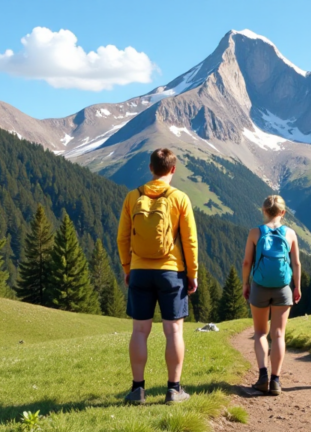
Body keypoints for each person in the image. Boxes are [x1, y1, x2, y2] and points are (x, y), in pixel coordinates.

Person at [117, 148, 198, 404]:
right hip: (171, 272)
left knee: (140, 331)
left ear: (150, 168)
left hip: (140, 271)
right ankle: (174, 390)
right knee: (173, 331)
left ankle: (137, 390)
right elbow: (190, 241)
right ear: (173, 169)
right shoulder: (179, 198)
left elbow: (122, 238)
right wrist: (192, 274)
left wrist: (128, 268)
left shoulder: (133, 197)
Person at [241, 195, 301, 396]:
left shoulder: (254, 233)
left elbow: (246, 263)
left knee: (260, 333)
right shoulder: (291, 233)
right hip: (283, 287)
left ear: (264, 211)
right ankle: (276, 380)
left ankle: (262, 376)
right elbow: (297, 264)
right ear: (283, 213)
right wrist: (297, 287)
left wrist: (245, 284)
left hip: (259, 286)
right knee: (278, 334)